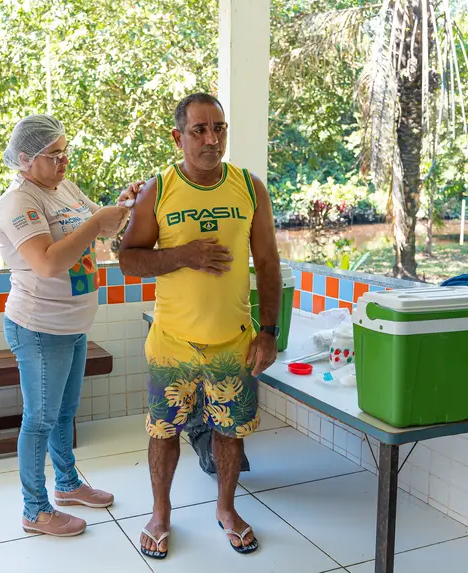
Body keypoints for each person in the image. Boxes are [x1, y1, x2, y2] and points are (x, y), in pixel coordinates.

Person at [118, 93, 283, 558]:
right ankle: (160, 512)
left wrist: (268, 331)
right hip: (172, 342)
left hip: (233, 341)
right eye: (199, 130)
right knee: (163, 432)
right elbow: (129, 260)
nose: (212, 139)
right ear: (178, 136)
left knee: (230, 431)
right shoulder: (160, 188)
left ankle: (226, 509)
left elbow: (268, 263)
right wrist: (185, 255)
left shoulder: (249, 188)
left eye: (219, 128)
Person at [0, 114, 140, 537]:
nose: (64, 162)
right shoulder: (18, 202)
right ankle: (35, 510)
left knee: (64, 414)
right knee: (40, 419)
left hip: (73, 324)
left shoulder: (63, 189)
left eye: (65, 153)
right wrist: (96, 224)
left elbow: (104, 222)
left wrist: (125, 204)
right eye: (53, 155)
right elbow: (48, 261)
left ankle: (68, 485)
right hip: (40, 327)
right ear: (25, 159)